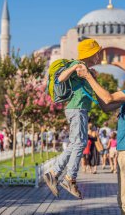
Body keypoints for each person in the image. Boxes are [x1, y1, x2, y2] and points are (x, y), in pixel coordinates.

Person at [77, 56, 125, 215]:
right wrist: (93, 82)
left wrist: (88, 77)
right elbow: (106, 105)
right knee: (123, 201)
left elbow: (109, 97)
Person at [43, 38, 102, 199]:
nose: (99, 56)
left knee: (77, 143)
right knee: (80, 143)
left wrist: (90, 75)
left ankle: (53, 173)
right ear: (90, 53)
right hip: (76, 109)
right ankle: (69, 178)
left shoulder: (86, 69)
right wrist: (76, 66)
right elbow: (60, 78)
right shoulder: (77, 64)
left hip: (79, 109)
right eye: (97, 53)